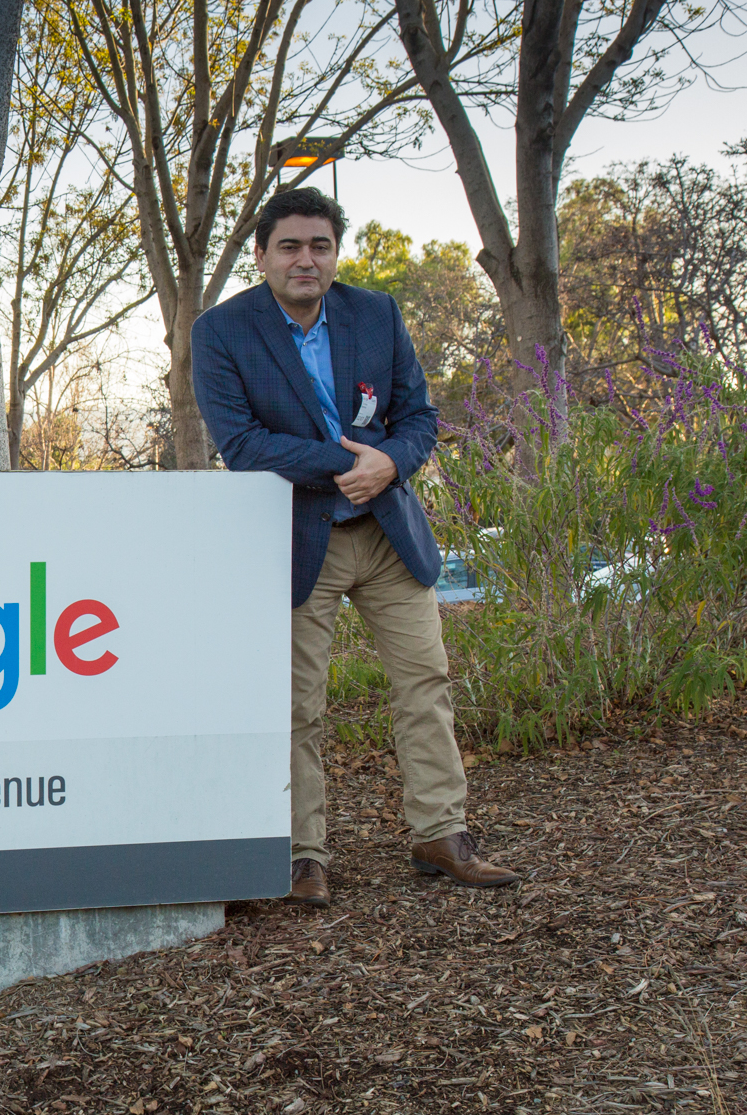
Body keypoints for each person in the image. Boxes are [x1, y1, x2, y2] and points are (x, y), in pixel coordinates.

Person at [191, 187, 520, 908]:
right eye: (290, 246)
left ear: (334, 253)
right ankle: (301, 856)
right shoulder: (222, 331)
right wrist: (351, 463)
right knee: (297, 707)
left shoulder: (377, 313)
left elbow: (419, 417)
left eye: (320, 245)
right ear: (262, 253)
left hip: (388, 536)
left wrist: (393, 462)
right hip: (296, 539)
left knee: (425, 685)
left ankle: (441, 833)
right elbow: (243, 445)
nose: (306, 259)